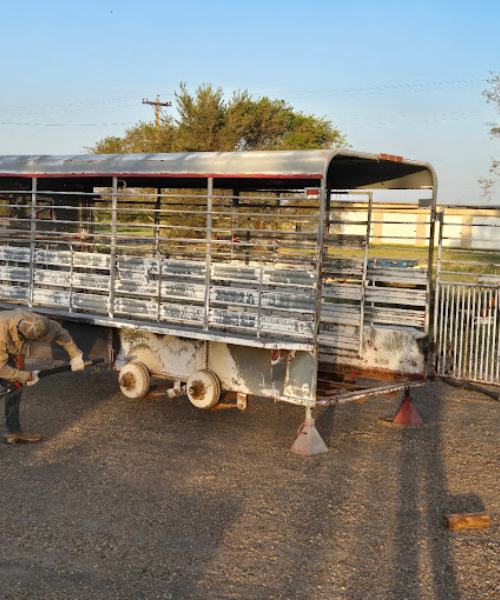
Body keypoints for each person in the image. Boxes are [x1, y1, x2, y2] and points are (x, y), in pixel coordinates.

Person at [0, 310, 85, 445]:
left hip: (4, 356)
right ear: (22, 335)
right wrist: (25, 376)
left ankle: (13, 433)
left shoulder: (37, 321)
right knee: (16, 378)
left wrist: (75, 355)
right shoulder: (2, 333)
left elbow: (60, 333)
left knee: (16, 387)